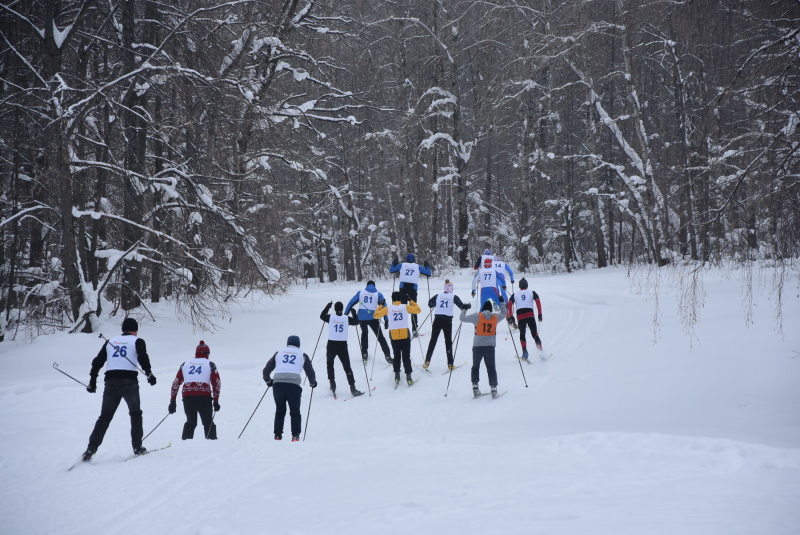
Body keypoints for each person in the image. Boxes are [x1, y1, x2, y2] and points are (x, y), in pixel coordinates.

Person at [81, 317, 157, 461]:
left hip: (110, 382)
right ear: (135, 330)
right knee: (135, 414)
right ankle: (137, 447)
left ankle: (90, 449)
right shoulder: (137, 341)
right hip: (129, 382)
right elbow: (143, 357)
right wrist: (149, 374)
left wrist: (92, 382)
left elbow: (97, 362)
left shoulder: (110, 341)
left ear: (123, 329)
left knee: (104, 417)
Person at [263, 335, 317, 441]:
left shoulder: (279, 353)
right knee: (295, 411)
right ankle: (295, 435)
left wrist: (269, 381)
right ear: (298, 344)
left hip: (278, 385)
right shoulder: (303, 355)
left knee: (280, 410)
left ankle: (277, 435)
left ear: (287, 343)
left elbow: (266, 371)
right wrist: (313, 383)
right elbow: (310, 372)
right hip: (294, 386)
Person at [167, 340, 221, 440]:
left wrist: (172, 401)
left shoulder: (185, 364)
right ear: (207, 353)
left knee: (191, 421)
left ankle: (185, 443)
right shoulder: (210, 364)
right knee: (208, 422)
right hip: (204, 397)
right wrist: (216, 401)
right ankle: (212, 443)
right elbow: (216, 383)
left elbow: (176, 383)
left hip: (188, 396)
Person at [460, 299, 507, 398]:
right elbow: (504, 313)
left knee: (475, 367)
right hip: (490, 347)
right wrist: (502, 302)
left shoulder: (477, 316)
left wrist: (464, 309)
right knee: (491, 368)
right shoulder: (495, 317)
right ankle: (493, 388)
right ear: (490, 309)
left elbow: (462, 318)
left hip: (477, 347)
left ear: (483, 308)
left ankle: (475, 387)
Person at [373, 291, 421, 386]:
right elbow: (418, 310)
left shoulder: (388, 308)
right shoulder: (405, 306)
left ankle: (397, 374)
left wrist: (381, 306)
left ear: (392, 299)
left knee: (396, 355)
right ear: (400, 299)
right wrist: (410, 300)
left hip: (394, 335)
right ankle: (408, 375)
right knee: (406, 356)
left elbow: (375, 316)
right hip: (405, 334)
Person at [423, 279, 471, 370]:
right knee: (448, 342)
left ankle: (427, 361)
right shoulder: (453, 296)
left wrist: (435, 304)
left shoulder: (438, 295)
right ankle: (450, 364)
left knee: (433, 340)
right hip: (447, 321)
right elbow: (462, 307)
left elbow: (430, 304)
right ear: (451, 289)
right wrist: (467, 306)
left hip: (437, 319)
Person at [320, 301, 363, 398]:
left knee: (330, 364)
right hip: (342, 345)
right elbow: (356, 322)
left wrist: (327, 306)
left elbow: (322, 316)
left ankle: (332, 383)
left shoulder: (330, 317)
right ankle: (353, 388)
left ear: (335, 309)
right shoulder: (346, 318)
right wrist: (353, 313)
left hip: (331, 344)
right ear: (342, 309)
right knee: (347, 366)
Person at [344, 280, 392, 364]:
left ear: (367, 286)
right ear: (374, 286)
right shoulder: (378, 294)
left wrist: (345, 315)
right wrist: (386, 319)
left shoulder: (360, 293)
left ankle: (364, 353)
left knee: (364, 333)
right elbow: (384, 307)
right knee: (380, 337)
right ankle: (387, 355)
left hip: (362, 317)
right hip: (373, 317)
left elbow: (351, 303)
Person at [388, 253, 432, 336]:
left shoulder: (402, 265)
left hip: (403, 288)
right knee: (413, 308)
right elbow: (428, 273)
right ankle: (414, 329)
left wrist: (394, 262)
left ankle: (400, 328)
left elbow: (392, 270)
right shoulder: (417, 266)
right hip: (412, 289)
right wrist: (427, 266)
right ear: (414, 260)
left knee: (402, 309)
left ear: (406, 259)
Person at [507, 277, 543, 359]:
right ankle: (541, 352)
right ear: (527, 285)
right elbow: (538, 301)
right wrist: (540, 314)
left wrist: (511, 315)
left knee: (522, 334)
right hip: (530, 314)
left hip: (520, 316)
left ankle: (525, 352)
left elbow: (509, 303)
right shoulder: (532, 292)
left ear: (519, 286)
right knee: (534, 334)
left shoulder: (515, 294)